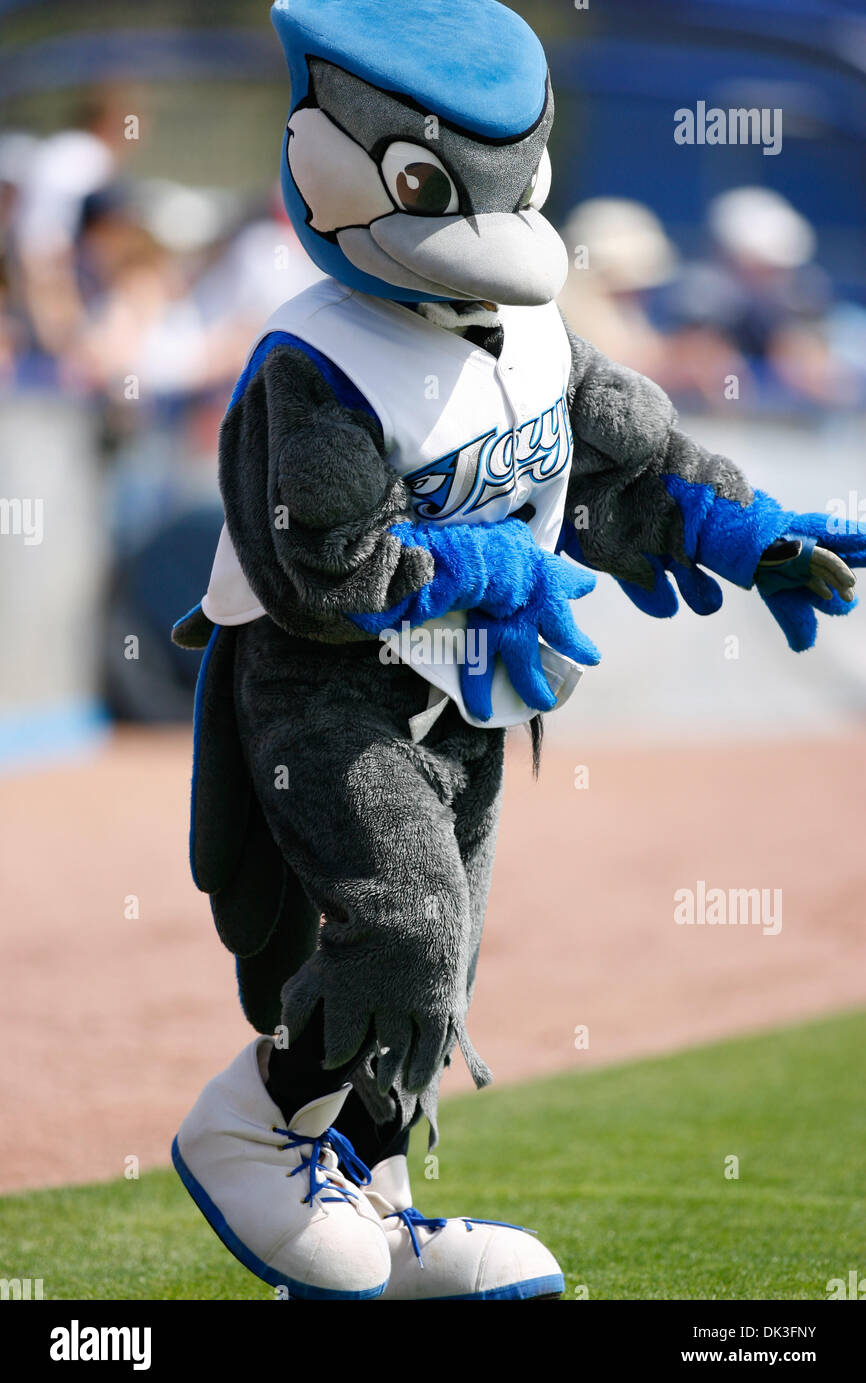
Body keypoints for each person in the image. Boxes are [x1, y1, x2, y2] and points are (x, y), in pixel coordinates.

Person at [170, 0, 864, 1301]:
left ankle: (372, 1185)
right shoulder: (317, 360)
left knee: (443, 962)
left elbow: (628, 467)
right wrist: (484, 562)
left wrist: (745, 531)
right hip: (325, 689)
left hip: (467, 691)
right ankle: (253, 1119)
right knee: (406, 919)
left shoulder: (535, 332)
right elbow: (318, 571)